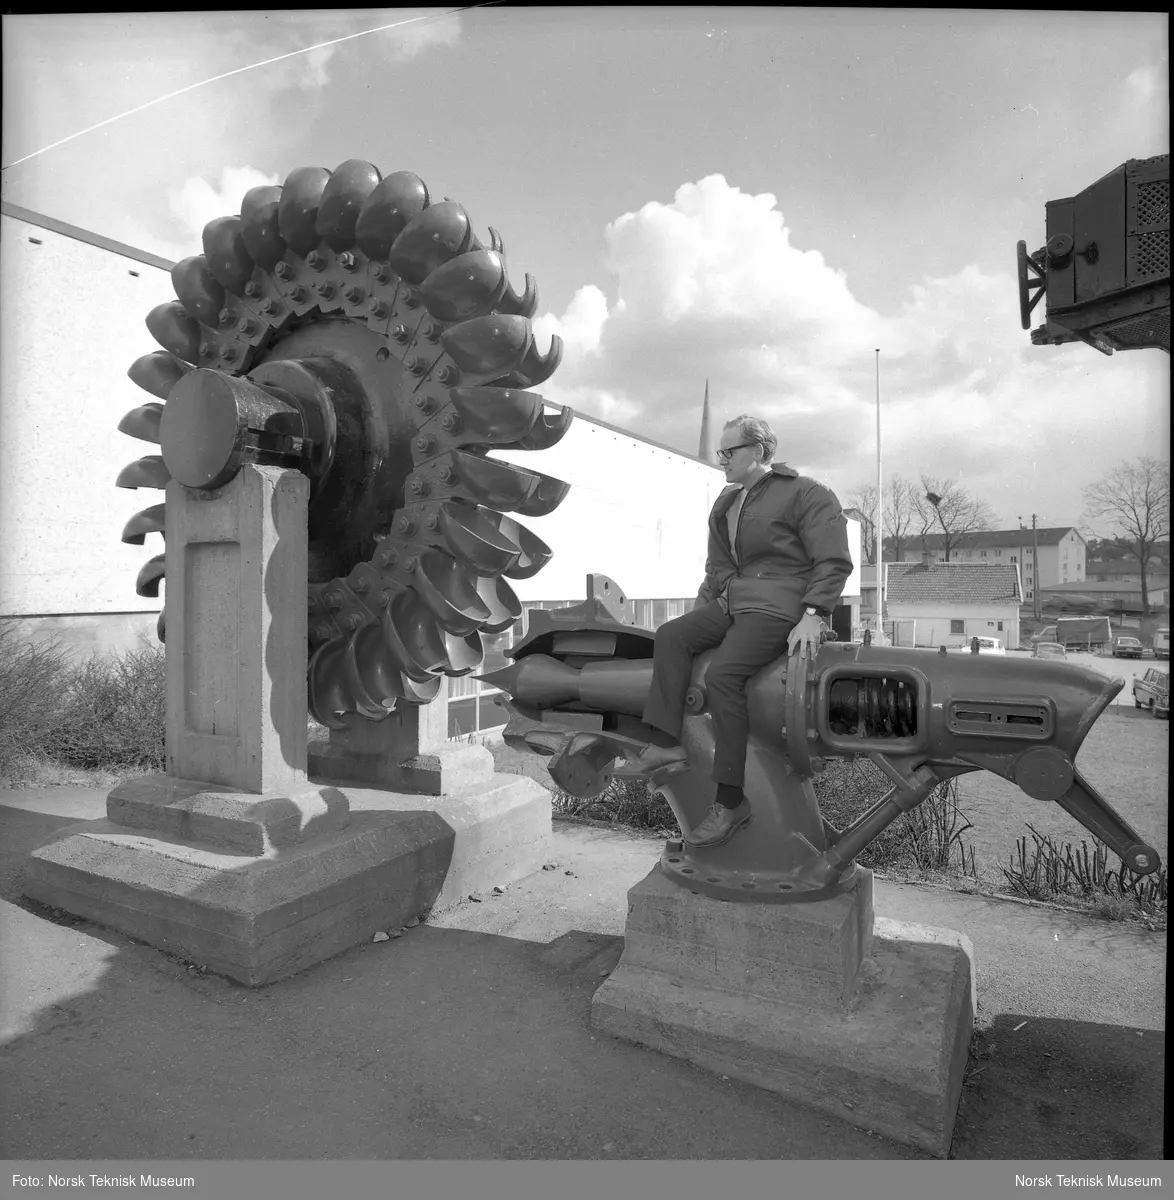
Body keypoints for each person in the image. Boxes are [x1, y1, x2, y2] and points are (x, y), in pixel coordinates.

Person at [622, 415, 853, 849]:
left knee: (723, 676)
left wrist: (814, 614)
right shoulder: (727, 503)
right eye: (720, 452)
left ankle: (730, 801)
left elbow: (833, 560)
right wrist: (701, 611)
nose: (722, 460)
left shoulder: (808, 493)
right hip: (733, 603)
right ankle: (666, 742)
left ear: (761, 452)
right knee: (672, 636)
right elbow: (719, 569)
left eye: (730, 451)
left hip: (779, 607)